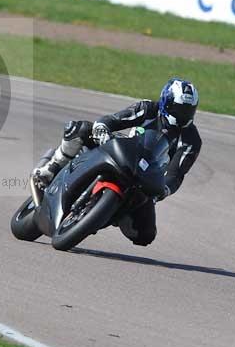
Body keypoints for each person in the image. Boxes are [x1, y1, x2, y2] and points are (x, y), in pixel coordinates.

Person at [32, 78, 202, 246]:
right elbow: (116, 119)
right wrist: (102, 128)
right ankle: (51, 168)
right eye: (178, 109)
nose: (182, 115)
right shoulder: (148, 108)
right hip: (122, 153)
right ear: (166, 102)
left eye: (188, 110)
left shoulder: (191, 140)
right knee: (79, 129)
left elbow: (176, 173)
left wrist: (165, 189)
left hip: (146, 178)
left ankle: (113, 213)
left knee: (145, 235)